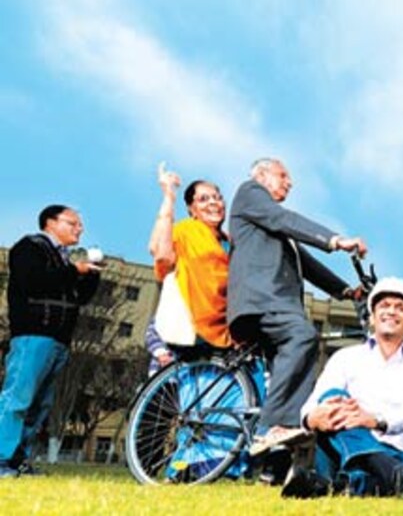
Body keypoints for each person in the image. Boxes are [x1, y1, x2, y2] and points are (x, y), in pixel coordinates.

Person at [227, 158, 367, 457]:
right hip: (261, 298)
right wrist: (335, 240)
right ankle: (270, 428)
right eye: (283, 176)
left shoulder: (270, 222)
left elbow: (307, 264)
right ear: (262, 175)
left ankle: (277, 458)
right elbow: (286, 219)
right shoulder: (250, 192)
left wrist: (346, 291)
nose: (289, 183)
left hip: (274, 302)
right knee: (303, 336)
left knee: (289, 370)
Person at [287, 277, 403, 500]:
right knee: (333, 397)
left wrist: (374, 420)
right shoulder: (345, 357)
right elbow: (310, 407)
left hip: (398, 455)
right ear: (372, 317)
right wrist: (313, 418)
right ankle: (396, 477)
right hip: (339, 452)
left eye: (400, 308)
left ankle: (342, 484)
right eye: (384, 306)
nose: (391, 312)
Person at [0, 205, 101, 478]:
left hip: (59, 340)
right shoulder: (30, 247)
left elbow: (79, 297)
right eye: (73, 223)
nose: (79, 228)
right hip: (33, 334)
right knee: (17, 399)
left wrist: (90, 276)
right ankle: (1, 460)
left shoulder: (66, 258)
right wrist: (73, 270)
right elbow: (33, 281)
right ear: (50, 223)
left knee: (39, 406)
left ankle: (18, 461)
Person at [148, 163, 233, 350]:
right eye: (203, 199)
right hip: (193, 326)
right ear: (191, 209)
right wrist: (169, 197)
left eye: (217, 198)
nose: (213, 203)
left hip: (228, 327)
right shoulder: (185, 230)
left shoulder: (232, 243)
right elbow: (160, 253)